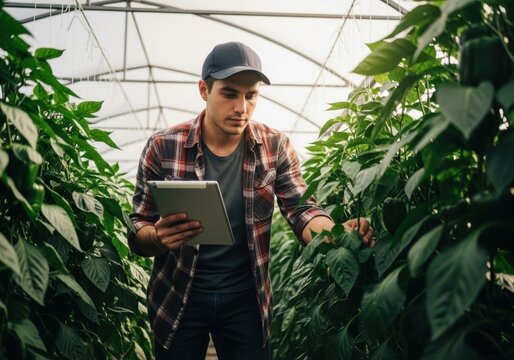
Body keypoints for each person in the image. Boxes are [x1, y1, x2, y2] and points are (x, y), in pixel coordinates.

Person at [128, 41, 374, 360]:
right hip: (178, 297)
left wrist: (337, 234)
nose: (241, 107)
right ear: (204, 90)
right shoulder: (164, 146)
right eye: (229, 93)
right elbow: (139, 226)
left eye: (251, 95)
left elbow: (303, 211)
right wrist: (157, 237)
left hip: (245, 300)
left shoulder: (275, 147)